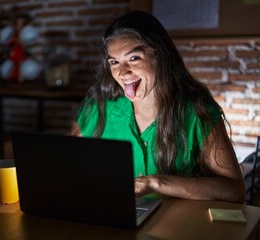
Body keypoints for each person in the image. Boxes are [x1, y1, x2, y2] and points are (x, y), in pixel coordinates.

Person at [69, 11, 246, 203]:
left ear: (159, 55)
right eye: (114, 62)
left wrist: (155, 183)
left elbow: (234, 190)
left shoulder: (197, 112)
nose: (122, 72)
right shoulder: (100, 108)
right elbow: (66, 161)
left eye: (134, 58)